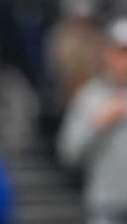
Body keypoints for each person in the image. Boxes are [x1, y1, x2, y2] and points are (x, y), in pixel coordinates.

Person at [57, 15, 127, 224]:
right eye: (121, 52)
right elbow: (68, 152)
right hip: (106, 205)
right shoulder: (91, 96)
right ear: (107, 53)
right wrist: (99, 123)